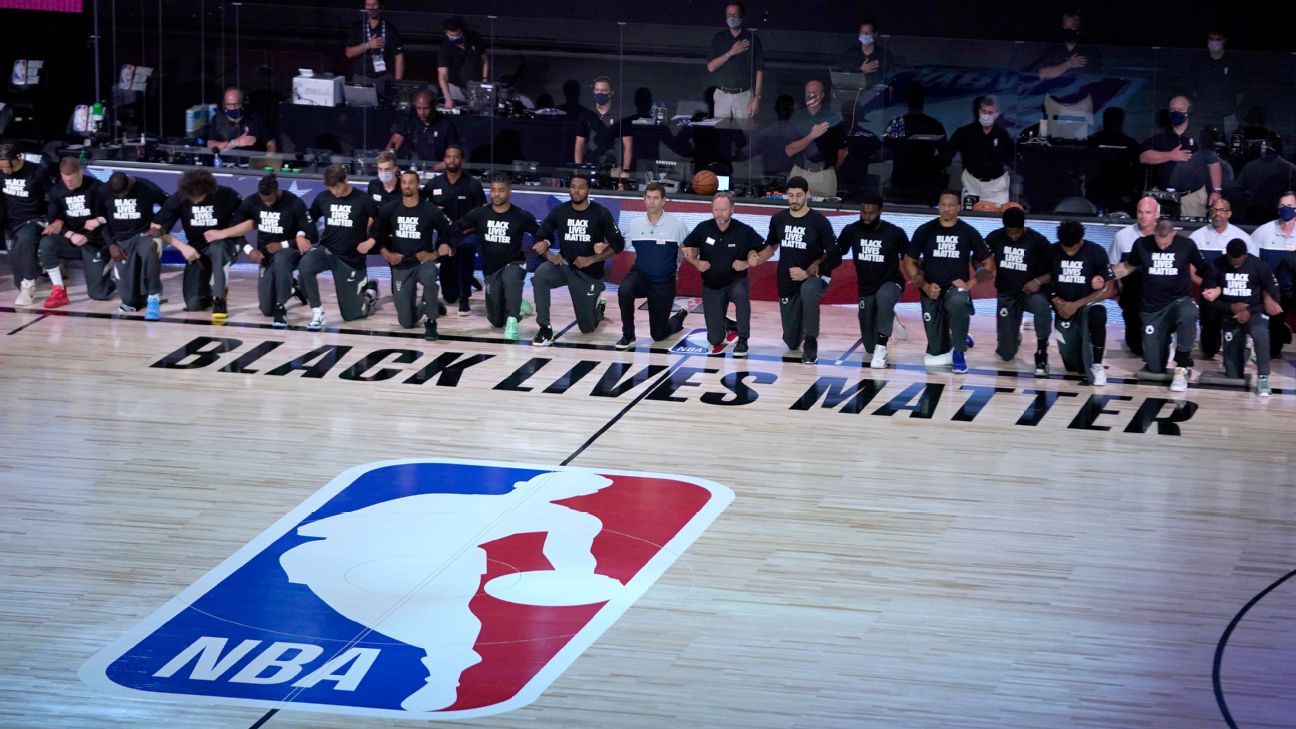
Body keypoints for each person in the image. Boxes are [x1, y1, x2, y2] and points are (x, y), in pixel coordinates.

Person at [1111, 216, 1208, 392]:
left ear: (1174, 234)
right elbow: (1126, 267)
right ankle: (1165, 344)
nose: (1162, 247)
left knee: (1188, 313)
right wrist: (1103, 276)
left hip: (1179, 301)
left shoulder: (1186, 245)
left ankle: (1182, 367)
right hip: (1152, 308)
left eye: (1166, 243)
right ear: (1154, 233)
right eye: (1159, 243)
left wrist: (1217, 287)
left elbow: (1205, 269)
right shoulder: (1142, 244)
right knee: (1154, 367)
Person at [903, 189, 994, 374]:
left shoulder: (968, 231)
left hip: (955, 289)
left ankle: (959, 352)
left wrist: (970, 284)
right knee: (935, 353)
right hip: (931, 289)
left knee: (958, 301)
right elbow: (909, 261)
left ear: (958, 207)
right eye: (943, 205)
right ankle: (959, 336)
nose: (946, 209)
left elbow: (989, 262)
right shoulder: (925, 230)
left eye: (951, 205)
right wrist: (925, 286)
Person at [207, 174, 314, 328]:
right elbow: (233, 231)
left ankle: (281, 307)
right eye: (264, 200)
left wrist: (284, 244)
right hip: (266, 256)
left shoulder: (294, 202)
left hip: (289, 252)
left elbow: (313, 234)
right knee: (266, 309)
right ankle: (292, 287)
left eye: (270, 200)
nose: (267, 204)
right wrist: (249, 249)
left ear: (277, 191)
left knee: (281, 259)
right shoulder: (251, 202)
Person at [751, 176, 838, 364]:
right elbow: (771, 246)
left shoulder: (819, 221)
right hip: (787, 278)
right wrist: (754, 260)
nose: (794, 200)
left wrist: (808, 272)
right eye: (790, 195)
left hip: (814, 277)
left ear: (807, 194)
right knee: (790, 342)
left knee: (809, 290)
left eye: (799, 195)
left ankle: (811, 341)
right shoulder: (778, 218)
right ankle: (801, 332)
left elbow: (835, 254)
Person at [531, 173, 625, 345]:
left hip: (589, 273)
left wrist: (593, 258)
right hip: (564, 266)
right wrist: (549, 254)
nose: (576, 191)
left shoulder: (600, 213)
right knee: (540, 275)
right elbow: (540, 236)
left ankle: (598, 308)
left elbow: (618, 244)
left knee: (586, 328)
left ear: (588, 189)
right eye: (573, 187)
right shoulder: (560, 211)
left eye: (581, 187)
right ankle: (544, 327)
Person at [152, 169, 245, 319]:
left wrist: (223, 233)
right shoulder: (178, 199)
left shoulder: (227, 195)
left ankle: (220, 298)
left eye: (199, 197)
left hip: (225, 244)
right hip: (196, 248)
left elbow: (249, 222)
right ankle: (207, 289)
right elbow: (155, 228)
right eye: (192, 197)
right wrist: (182, 247)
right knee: (193, 304)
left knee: (218, 247)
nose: (196, 201)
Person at [456, 175, 539, 341]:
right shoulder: (480, 213)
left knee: (511, 280)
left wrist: (543, 244)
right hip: (491, 268)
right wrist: (449, 242)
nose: (496, 194)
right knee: (495, 321)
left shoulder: (520, 215)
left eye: (501, 190)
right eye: (493, 190)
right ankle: (516, 302)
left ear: (509, 191)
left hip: (514, 262)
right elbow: (457, 227)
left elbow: (541, 232)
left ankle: (513, 320)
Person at [682, 192, 765, 357]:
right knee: (715, 339)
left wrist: (748, 262)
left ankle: (743, 339)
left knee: (741, 294)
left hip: (735, 281)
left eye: (724, 209)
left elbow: (761, 250)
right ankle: (724, 322)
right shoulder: (703, 228)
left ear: (732, 210)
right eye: (716, 209)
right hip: (712, 285)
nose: (719, 213)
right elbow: (685, 247)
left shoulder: (744, 230)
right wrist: (696, 262)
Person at [375, 170, 455, 339]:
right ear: (400, 185)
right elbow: (375, 233)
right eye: (404, 182)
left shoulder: (429, 209)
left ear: (418, 185)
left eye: (411, 182)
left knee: (429, 276)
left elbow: (450, 231)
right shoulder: (390, 209)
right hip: (400, 264)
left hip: (422, 263)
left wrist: (435, 252)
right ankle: (428, 304)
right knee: (406, 322)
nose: (407, 186)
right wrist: (386, 254)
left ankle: (431, 322)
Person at [1035, 219, 1114, 385]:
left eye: (1074, 249)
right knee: (1073, 367)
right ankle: (1083, 351)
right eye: (1066, 249)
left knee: (1099, 314)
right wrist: (1055, 300)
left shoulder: (1096, 251)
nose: (1070, 253)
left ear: (1081, 240)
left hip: (1087, 304)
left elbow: (1107, 288)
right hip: (1063, 308)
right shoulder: (1052, 251)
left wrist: (1076, 304)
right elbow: (1043, 281)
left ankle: (1097, 364)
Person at [302, 164, 381, 330]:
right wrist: (301, 235)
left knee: (352, 316)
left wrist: (371, 241)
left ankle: (369, 294)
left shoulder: (363, 199)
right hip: (327, 250)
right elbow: (309, 219)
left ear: (346, 180)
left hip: (350, 259)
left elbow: (382, 223)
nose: (334, 192)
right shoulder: (323, 198)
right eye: (331, 188)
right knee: (305, 265)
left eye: (337, 187)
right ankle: (318, 312)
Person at [1201, 238, 1283, 396]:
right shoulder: (1216, 265)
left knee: (1261, 334)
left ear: (1246, 255)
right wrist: (1230, 307)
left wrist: (1250, 312)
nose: (1235, 266)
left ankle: (1263, 377)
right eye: (1232, 262)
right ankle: (1245, 349)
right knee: (1233, 373)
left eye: (1238, 263)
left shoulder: (1259, 266)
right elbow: (1208, 299)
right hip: (1230, 315)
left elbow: (1274, 297)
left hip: (1255, 312)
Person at [837, 193, 908, 368]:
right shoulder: (851, 230)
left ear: (880, 211)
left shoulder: (895, 233)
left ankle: (882, 350)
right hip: (866, 288)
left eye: (871, 212)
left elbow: (910, 259)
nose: (867, 216)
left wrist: (919, 276)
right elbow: (836, 254)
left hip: (892, 283)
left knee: (884, 297)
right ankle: (889, 319)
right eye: (863, 212)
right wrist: (818, 266)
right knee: (869, 346)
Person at [616, 182, 691, 349]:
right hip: (640, 276)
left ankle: (679, 317)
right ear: (643, 199)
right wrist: (604, 246)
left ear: (664, 201)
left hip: (664, 282)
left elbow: (688, 250)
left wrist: (679, 266)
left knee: (659, 335)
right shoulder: (635, 224)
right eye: (648, 198)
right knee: (624, 290)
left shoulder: (677, 225)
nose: (651, 202)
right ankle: (628, 334)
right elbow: (619, 246)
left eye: (656, 198)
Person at [37, 157, 115, 308]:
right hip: (72, 240)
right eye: (66, 180)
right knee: (46, 243)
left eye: (72, 180)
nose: (69, 184)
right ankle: (58, 289)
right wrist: (70, 234)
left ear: (80, 172)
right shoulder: (57, 190)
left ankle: (109, 276)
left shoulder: (96, 187)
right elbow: (53, 220)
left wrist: (98, 220)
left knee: (99, 294)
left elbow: (112, 213)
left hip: (94, 242)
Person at [95, 171, 169, 319]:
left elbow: (169, 204)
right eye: (117, 195)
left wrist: (160, 226)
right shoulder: (102, 191)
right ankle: (137, 297)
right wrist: (111, 244)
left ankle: (153, 297)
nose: (121, 197)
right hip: (120, 240)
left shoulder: (145, 186)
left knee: (151, 248)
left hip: (143, 234)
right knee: (129, 301)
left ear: (129, 184)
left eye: (124, 193)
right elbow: (100, 219)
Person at [987, 206, 1052, 372]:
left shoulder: (1038, 241)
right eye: (1010, 232)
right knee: (1006, 354)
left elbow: (1055, 268)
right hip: (1007, 293)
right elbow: (979, 258)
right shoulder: (995, 237)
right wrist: (983, 269)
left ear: (1024, 226)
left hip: (1030, 292)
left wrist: (1038, 280)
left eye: (1017, 232)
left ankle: (1041, 350)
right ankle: (1013, 336)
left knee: (1042, 307)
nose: (1013, 236)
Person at [424, 145, 486, 314]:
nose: (451, 160)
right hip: (444, 237)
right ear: (444, 160)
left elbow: (481, 218)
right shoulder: (433, 184)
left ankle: (464, 299)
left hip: (468, 235)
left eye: (455, 157)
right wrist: (432, 210)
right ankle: (465, 277)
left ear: (462, 160)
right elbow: (420, 206)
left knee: (465, 250)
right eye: (448, 157)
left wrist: (457, 237)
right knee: (450, 296)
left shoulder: (473, 185)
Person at [1138, 96, 1223, 218]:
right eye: (1173, 110)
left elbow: (1213, 163)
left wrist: (1216, 191)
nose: (1176, 112)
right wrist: (1170, 155)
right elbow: (1144, 157)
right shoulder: (1159, 136)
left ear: (1188, 112)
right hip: (1162, 197)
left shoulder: (1200, 136)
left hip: (1191, 197)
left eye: (1180, 109)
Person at [1189, 198, 1252, 358]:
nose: (1217, 214)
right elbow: (1191, 272)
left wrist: (1224, 288)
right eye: (1214, 210)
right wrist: (1208, 287)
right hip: (1209, 295)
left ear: (1229, 214)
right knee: (1209, 349)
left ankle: (1243, 342)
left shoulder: (1243, 238)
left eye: (1222, 210)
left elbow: (1252, 271)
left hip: (1235, 292)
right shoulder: (1197, 237)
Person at [0, 143, 53, 305]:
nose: (5, 170)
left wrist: (52, 219)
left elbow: (53, 196)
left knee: (25, 240)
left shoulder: (37, 171)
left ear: (19, 158)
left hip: (34, 218)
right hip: (11, 221)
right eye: (1, 166)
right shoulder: (1, 172)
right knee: (17, 273)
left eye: (7, 165)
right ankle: (46, 265)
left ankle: (28, 288)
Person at [1108, 195, 1159, 356]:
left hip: (1159, 293)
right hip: (1131, 293)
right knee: (1135, 346)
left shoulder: (1165, 235)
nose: (1143, 216)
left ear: (1157, 214)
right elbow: (1113, 265)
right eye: (1140, 212)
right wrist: (1118, 291)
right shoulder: (1122, 236)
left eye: (1148, 212)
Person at [943, 96, 1014, 207]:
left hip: (997, 187)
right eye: (984, 111)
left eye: (990, 112)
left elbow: (1012, 160)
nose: (986, 115)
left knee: (998, 218)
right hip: (972, 185)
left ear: (996, 114)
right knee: (970, 216)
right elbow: (946, 155)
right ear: (979, 111)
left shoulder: (1002, 135)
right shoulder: (964, 133)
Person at [784, 80, 846, 198]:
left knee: (826, 212)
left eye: (815, 93)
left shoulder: (833, 119)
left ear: (822, 96)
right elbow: (789, 150)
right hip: (799, 172)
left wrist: (831, 171)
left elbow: (843, 151)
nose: (811, 96)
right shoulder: (796, 118)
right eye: (808, 93)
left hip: (824, 174)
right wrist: (812, 135)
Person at [1252, 192, 1296, 357]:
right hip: (1271, 291)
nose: (1286, 210)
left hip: (1294, 289)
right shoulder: (1263, 232)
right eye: (1283, 206)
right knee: (1271, 348)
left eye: (1290, 206)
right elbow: (1252, 263)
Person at [706, 2, 763, 119]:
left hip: (744, 95)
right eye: (729, 14)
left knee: (743, 133)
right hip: (722, 96)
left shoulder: (752, 38)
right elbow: (711, 67)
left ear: (742, 16)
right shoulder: (719, 38)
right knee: (721, 133)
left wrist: (756, 98)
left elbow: (759, 70)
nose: (732, 18)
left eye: (735, 15)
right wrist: (731, 52)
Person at [573, 77, 633, 178]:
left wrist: (626, 170)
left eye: (604, 91)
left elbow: (628, 146)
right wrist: (578, 168)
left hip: (614, 166)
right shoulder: (587, 115)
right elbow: (579, 143)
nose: (599, 93)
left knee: (612, 190)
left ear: (612, 92)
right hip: (590, 165)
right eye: (597, 90)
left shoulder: (621, 115)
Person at [386, 90, 459, 167]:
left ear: (434, 105)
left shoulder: (446, 125)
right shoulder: (410, 120)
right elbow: (393, 144)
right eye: (419, 108)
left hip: (437, 171)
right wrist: (389, 159)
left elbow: (454, 154)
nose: (421, 113)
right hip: (413, 169)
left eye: (425, 108)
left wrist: (443, 165)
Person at [344, 0, 404, 93]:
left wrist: (398, 83)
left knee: (383, 106)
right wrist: (368, 45)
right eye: (368, 4)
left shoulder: (390, 29)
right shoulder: (357, 27)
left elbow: (399, 56)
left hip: (383, 78)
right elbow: (349, 53)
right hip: (361, 77)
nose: (371, 7)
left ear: (381, 7)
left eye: (374, 4)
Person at [1190, 29, 1242, 134]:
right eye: (1211, 39)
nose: (1214, 42)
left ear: (1224, 40)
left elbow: (1240, 90)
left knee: (1228, 143)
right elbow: (1193, 88)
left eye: (1217, 39)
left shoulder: (1233, 62)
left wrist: (1231, 108)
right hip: (1203, 114)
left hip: (1227, 114)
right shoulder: (1199, 62)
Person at [203, 87, 276, 154]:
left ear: (244, 103)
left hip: (251, 164)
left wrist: (268, 160)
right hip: (226, 164)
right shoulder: (217, 120)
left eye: (236, 105)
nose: (232, 108)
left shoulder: (254, 118)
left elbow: (271, 143)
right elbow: (211, 145)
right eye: (229, 105)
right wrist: (235, 142)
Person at [437, 15, 487, 109]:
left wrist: (484, 81)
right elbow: (442, 75)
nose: (454, 37)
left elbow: (484, 60)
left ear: (462, 30)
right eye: (451, 36)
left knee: (478, 110)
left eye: (457, 35)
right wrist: (448, 98)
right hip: (456, 87)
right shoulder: (445, 47)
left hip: (476, 85)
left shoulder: (474, 37)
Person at [832, 19, 894, 90]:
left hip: (876, 94)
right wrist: (861, 71)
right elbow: (842, 78)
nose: (865, 35)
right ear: (859, 34)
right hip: (852, 93)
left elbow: (890, 77)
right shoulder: (849, 55)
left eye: (868, 33)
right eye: (862, 32)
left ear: (875, 34)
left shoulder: (885, 55)